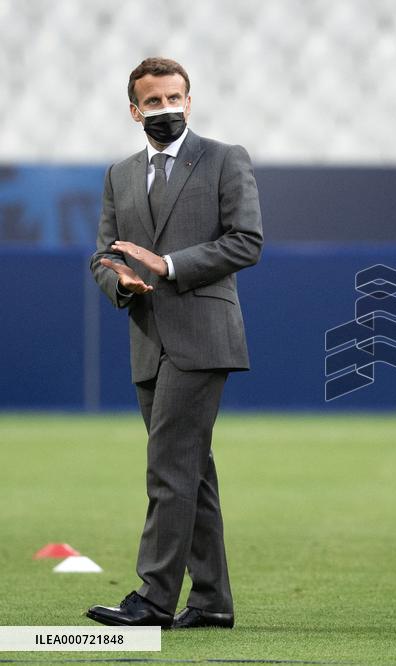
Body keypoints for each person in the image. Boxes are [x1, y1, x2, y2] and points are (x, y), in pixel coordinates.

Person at [86, 57, 263, 629]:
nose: (166, 109)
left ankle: (154, 599)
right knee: (192, 473)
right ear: (135, 110)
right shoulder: (119, 174)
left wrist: (165, 265)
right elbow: (104, 254)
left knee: (168, 466)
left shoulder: (224, 159)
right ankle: (210, 602)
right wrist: (122, 280)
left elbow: (246, 242)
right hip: (148, 338)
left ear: (190, 101)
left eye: (175, 98)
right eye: (154, 102)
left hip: (202, 336)